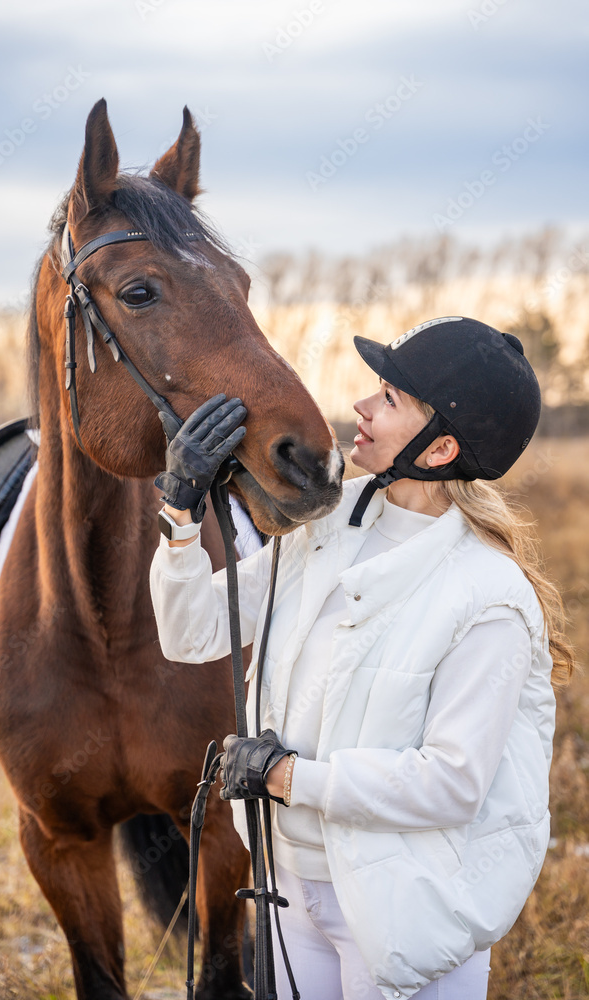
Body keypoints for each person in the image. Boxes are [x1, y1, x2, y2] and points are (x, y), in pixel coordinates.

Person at [149, 316, 573, 1000]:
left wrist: (289, 778)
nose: (360, 407)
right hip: (289, 883)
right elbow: (191, 633)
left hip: (404, 904)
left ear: (437, 451)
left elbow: (451, 783)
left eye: (389, 398)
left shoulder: (487, 596)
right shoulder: (327, 525)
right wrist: (180, 512)